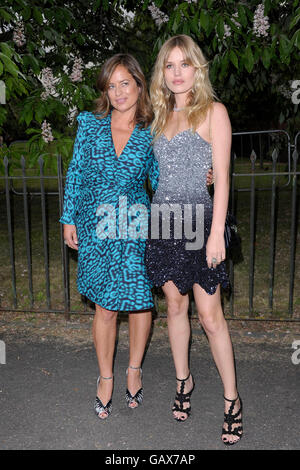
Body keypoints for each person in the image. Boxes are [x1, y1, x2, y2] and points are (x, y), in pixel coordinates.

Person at [145, 35, 243, 445]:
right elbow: (151, 174)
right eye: (170, 65)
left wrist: (217, 232)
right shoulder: (156, 115)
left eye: (185, 64)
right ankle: (183, 381)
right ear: (162, 73)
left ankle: (232, 401)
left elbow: (222, 178)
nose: (178, 72)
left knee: (210, 316)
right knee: (174, 306)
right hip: (165, 223)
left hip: (201, 224)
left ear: (197, 68)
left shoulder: (213, 111)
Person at [60, 53, 160, 419]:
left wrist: (202, 181)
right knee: (105, 306)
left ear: (138, 85)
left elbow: (160, 178)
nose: (118, 92)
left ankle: (134, 368)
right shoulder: (90, 123)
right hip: (96, 222)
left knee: (138, 302)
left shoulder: (152, 129)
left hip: (135, 222)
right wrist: (68, 217)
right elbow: (76, 171)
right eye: (111, 85)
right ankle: (106, 377)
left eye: (125, 83)